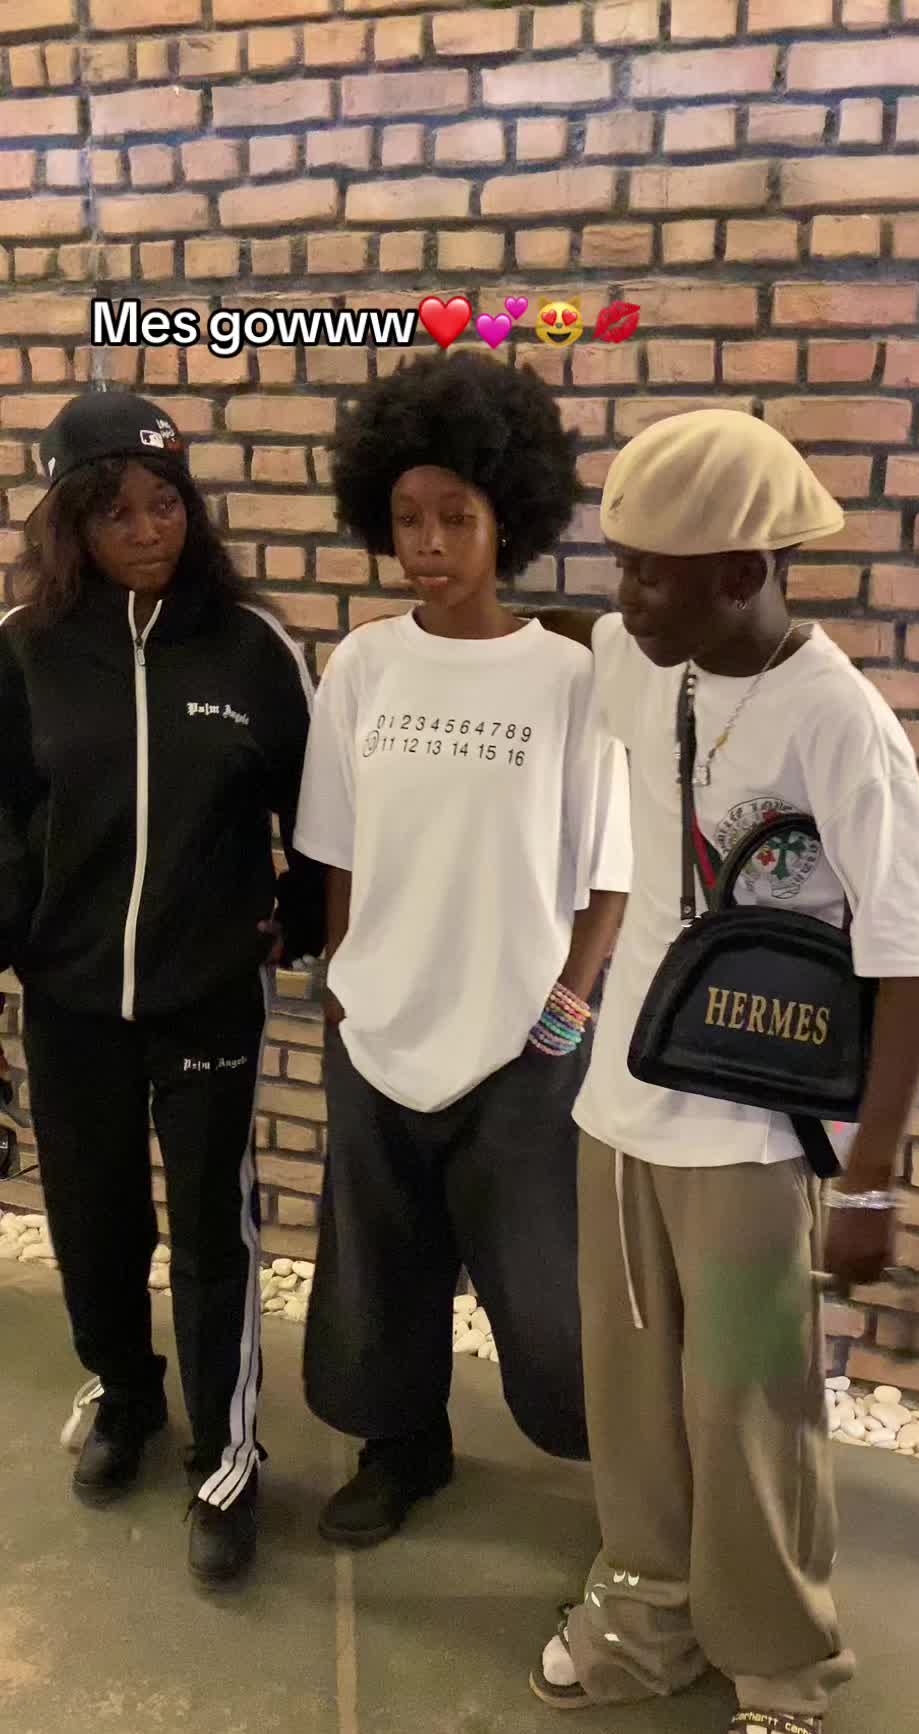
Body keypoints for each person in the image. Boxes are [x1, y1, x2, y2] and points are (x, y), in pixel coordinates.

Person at [529, 411, 919, 1734]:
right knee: (631, 1400)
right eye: (621, 566)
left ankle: (780, 1669)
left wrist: (874, 1176)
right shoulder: (633, 658)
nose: (625, 595)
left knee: (754, 1411)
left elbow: (909, 962)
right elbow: (553, 636)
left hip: (759, 1151)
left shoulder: (841, 722)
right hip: (618, 1120)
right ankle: (649, 1617)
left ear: (746, 570)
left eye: (652, 571)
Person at [295, 352, 631, 1547]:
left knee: (548, 1288)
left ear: (509, 519)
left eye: (456, 517)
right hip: (379, 1025)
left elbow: (612, 867)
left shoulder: (572, 677)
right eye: (407, 519)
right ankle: (401, 1451)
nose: (429, 544)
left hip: (524, 1038)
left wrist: (572, 1003)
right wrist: (342, 980)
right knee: (377, 1266)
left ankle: (629, 1487)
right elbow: (337, 847)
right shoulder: (363, 667)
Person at [0, 390, 324, 1586]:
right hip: (70, 999)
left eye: (166, 503)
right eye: (117, 513)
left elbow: (320, 813)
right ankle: (126, 1396)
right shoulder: (22, 650)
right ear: (71, 525)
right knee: (91, 1222)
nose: (149, 531)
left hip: (206, 998)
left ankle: (226, 1457)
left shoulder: (251, 647)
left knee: (209, 1236)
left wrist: (299, 916)